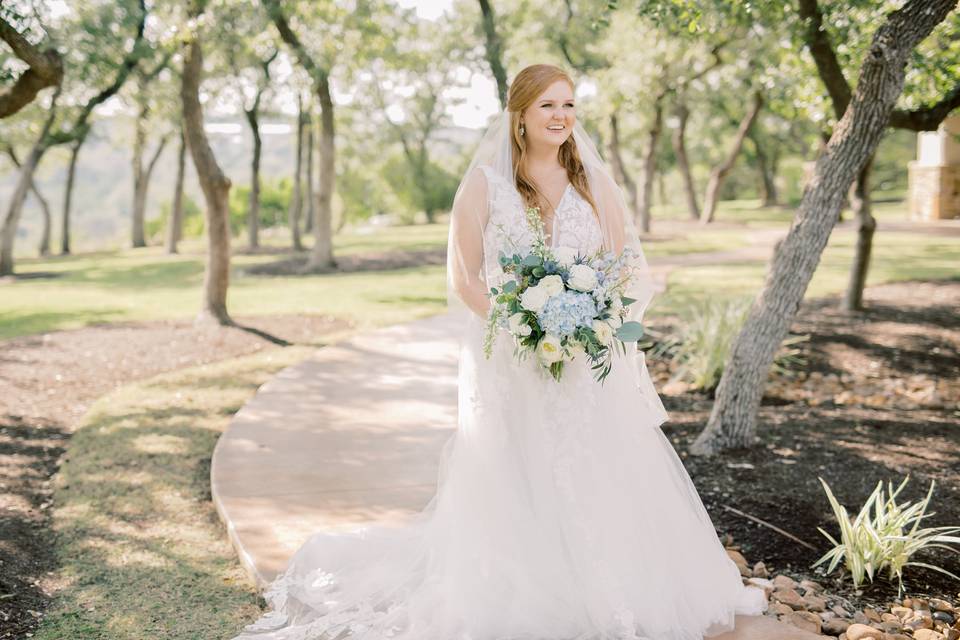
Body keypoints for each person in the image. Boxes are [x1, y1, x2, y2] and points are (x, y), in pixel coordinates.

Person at [233, 63, 768, 640]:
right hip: (511, 358)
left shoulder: (594, 181)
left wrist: (592, 322)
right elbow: (466, 280)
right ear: (520, 115)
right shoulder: (485, 185)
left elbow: (626, 269)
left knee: (592, 470)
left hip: (586, 359)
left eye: (568, 105)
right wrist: (526, 327)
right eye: (547, 106)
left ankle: (606, 585)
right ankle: (525, 587)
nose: (561, 116)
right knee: (519, 470)